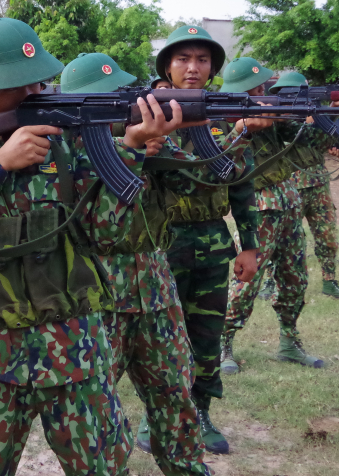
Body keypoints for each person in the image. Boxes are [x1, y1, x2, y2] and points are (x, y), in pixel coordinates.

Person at [0, 16, 183, 476]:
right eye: (17, 84)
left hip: (76, 351)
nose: (36, 90)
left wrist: (131, 150)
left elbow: (107, 234)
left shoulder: (70, 138)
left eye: (37, 79)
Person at [61, 52, 211, 475]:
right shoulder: (64, 154)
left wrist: (174, 142)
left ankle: (186, 466)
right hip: (97, 301)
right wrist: (129, 150)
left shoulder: (146, 141)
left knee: (176, 396)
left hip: (156, 292)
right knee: (96, 412)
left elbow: (199, 185)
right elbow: (102, 231)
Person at [136, 25, 266, 457]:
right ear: (167, 66)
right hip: (163, 244)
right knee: (159, 338)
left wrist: (248, 244)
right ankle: (151, 416)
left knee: (206, 338)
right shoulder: (146, 113)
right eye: (183, 59)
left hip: (213, 244)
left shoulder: (227, 115)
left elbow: (242, 186)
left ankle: (202, 412)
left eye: (203, 60)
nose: (193, 68)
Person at [222, 57, 333, 373]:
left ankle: (289, 341)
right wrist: (243, 128)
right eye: (257, 87)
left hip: (289, 201)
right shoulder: (223, 121)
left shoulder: (274, 116)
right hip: (259, 207)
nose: (264, 92)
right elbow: (222, 161)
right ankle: (223, 344)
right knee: (246, 282)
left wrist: (323, 114)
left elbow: (315, 141)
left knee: (294, 279)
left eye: (264, 86)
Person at [254, 72, 339, 303]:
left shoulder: (313, 115)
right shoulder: (276, 123)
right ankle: (271, 282)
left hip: (318, 184)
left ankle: (330, 281)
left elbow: (328, 140)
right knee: (282, 240)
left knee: (327, 237)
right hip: (291, 186)